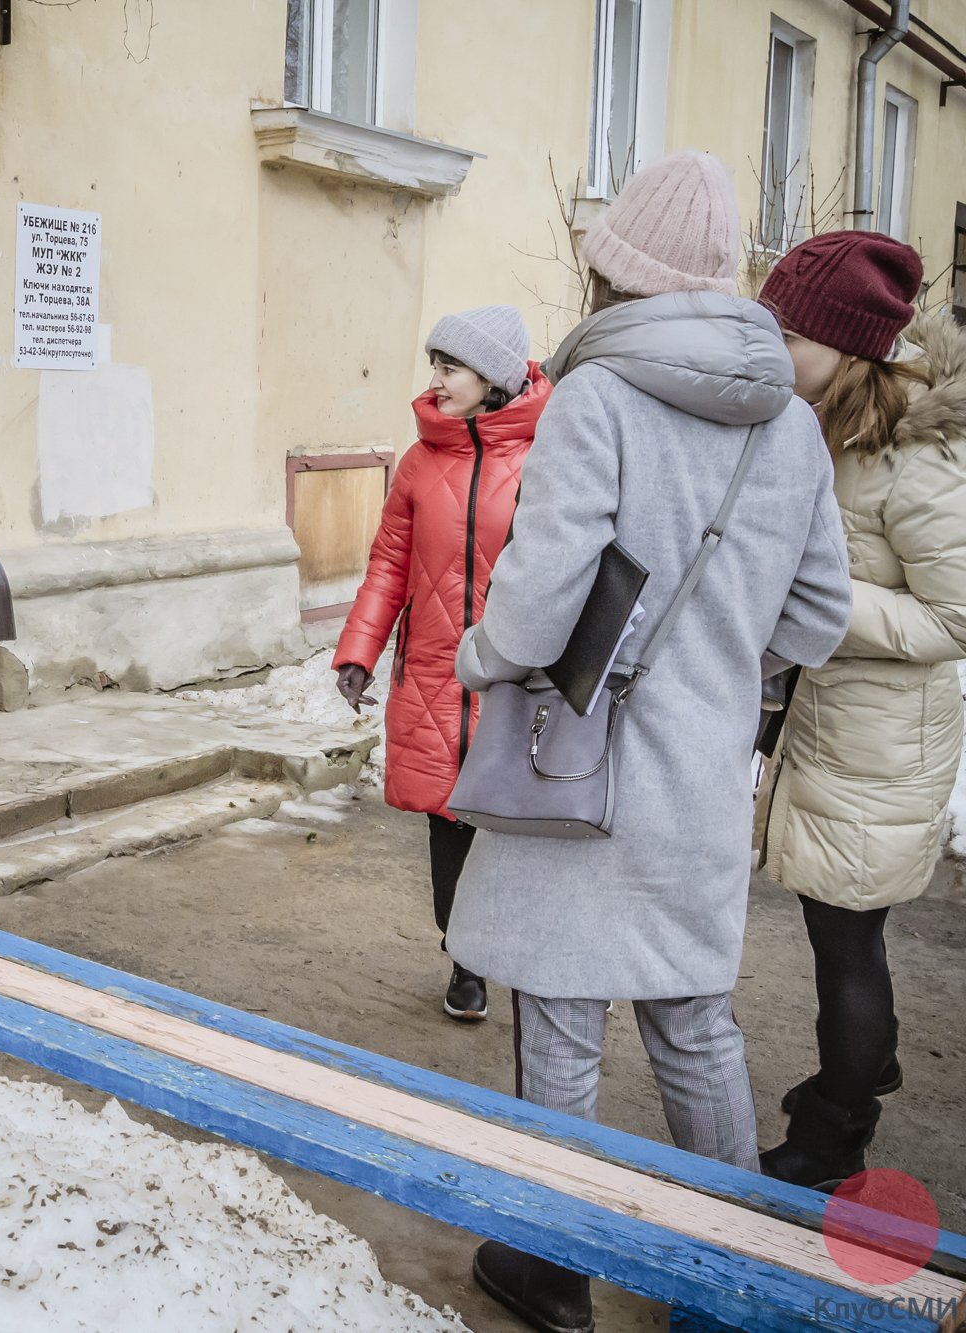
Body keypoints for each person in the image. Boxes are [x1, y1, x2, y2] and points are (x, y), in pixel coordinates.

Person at [446, 151, 852, 1333]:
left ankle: (549, 1267)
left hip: (584, 766)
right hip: (701, 776)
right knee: (692, 1020)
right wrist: (719, 673)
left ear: (613, 272)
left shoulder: (596, 399)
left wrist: (481, 658)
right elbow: (816, 617)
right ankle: (725, 1282)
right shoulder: (791, 421)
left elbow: (530, 609)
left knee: (563, 1019)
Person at [752, 232, 964, 1191]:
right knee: (838, 929)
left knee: (848, 942)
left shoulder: (917, 459)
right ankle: (861, 1059)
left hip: (882, 743)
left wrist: (824, 600)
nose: (771, 347)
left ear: (844, 348)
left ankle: (837, 1132)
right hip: (836, 727)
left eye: (786, 331)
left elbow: (956, 612)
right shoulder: (824, 427)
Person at [333, 306, 550, 1023]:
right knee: (447, 823)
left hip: (515, 680)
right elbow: (389, 564)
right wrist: (359, 651)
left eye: (450, 366)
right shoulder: (421, 461)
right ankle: (467, 961)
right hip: (433, 673)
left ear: (492, 377)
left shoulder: (548, 455)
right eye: (436, 364)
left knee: (510, 828)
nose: (436, 380)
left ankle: (519, 957)